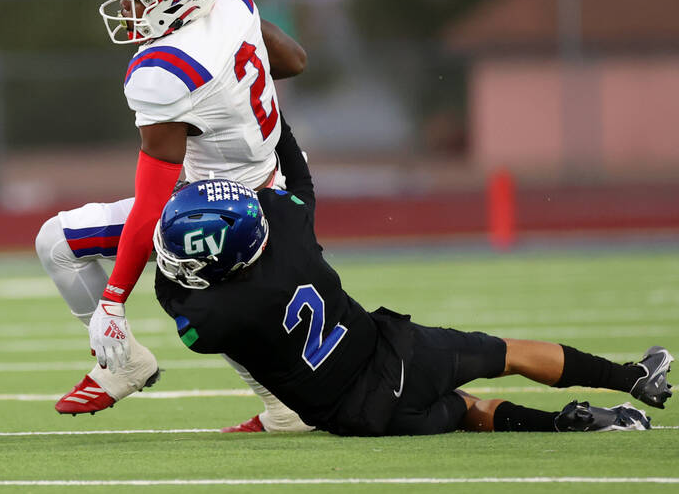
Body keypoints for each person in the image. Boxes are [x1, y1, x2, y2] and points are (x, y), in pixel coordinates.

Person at [149, 161, 673, 436]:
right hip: (393, 355)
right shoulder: (287, 227)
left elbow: (180, 308)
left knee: (470, 412)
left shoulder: (215, 315)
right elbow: (300, 181)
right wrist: (280, 129)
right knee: (505, 354)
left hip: (357, 419)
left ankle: (563, 423)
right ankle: (633, 378)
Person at [35, 0, 311, 430]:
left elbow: (152, 201)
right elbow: (294, 60)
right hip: (272, 180)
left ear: (174, 3)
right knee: (209, 283)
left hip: (230, 206)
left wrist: (114, 301)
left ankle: (125, 362)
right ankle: (278, 404)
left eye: (138, 1)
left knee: (66, 245)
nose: (126, 12)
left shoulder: (164, 73)